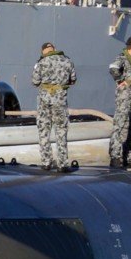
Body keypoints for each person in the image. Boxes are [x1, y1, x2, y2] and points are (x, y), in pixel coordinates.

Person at [31, 41, 77, 171]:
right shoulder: (67, 61)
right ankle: (62, 164)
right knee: (61, 131)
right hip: (60, 100)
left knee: (44, 131)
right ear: (54, 48)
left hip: (44, 101)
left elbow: (35, 81)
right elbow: (73, 80)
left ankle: (46, 162)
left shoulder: (41, 63)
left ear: (43, 51)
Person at [107, 36, 131, 170]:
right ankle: (115, 156)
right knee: (120, 126)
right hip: (124, 98)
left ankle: (129, 156)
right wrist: (120, 80)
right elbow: (113, 68)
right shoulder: (123, 58)